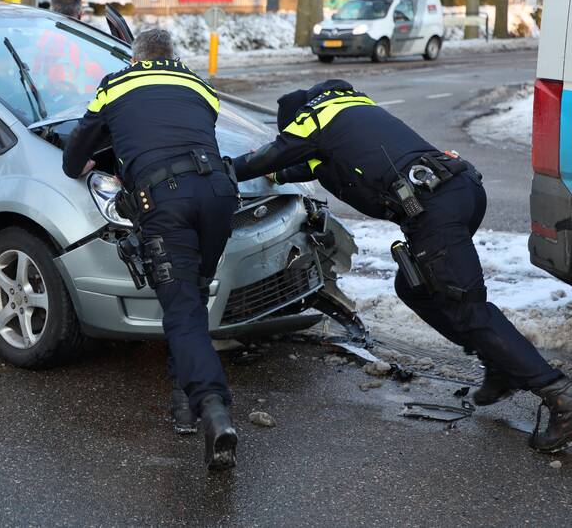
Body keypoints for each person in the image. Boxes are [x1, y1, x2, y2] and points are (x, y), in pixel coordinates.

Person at [232, 79, 572, 454]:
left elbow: (269, 155)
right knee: (415, 288)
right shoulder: (351, 115)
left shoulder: (314, 118)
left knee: (468, 309)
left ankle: (558, 396)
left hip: (432, 208)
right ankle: (498, 360)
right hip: (460, 190)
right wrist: (279, 175)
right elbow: (306, 166)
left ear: (297, 121)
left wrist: (220, 169)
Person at [61, 28, 240, 471]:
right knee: (192, 296)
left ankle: (213, 409)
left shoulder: (115, 84)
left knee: (180, 307)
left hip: (166, 200)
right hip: (219, 194)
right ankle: (183, 401)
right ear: (172, 55)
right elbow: (190, 130)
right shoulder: (199, 84)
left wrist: (106, 163)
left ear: (135, 56)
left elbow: (74, 157)